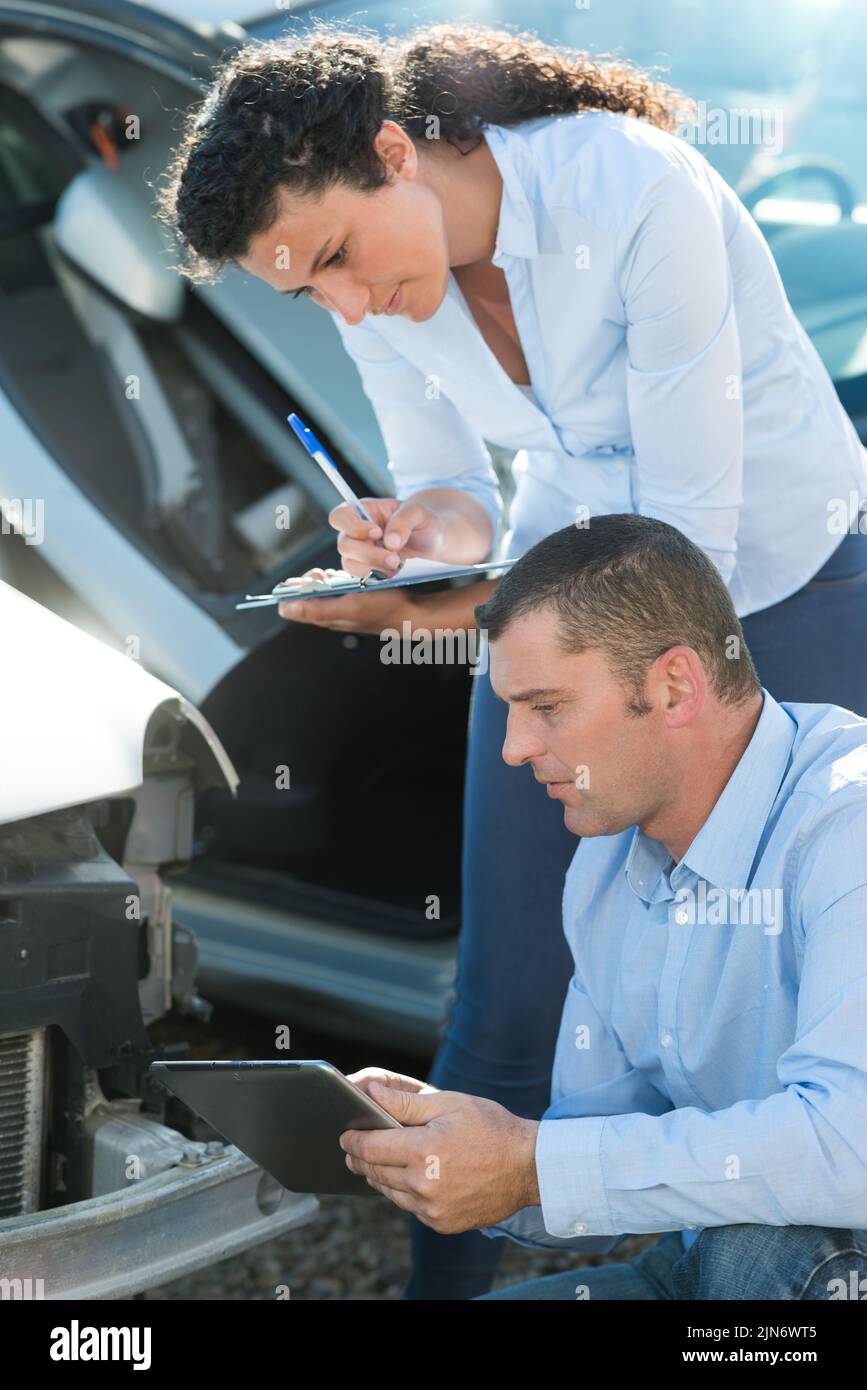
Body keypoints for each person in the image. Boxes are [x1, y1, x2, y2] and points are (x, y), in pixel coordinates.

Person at [156, 21, 867, 1298]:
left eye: (337, 260)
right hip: (581, 597)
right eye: (305, 292)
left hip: (789, 590)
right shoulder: (369, 282)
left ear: (393, 152)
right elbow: (452, 480)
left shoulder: (629, 190)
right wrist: (423, 534)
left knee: (806, 1024)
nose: (347, 308)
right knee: (499, 1016)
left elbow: (680, 554)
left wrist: (469, 614)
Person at [339, 514, 867, 1300]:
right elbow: (613, 1159)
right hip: (707, 1268)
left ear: (675, 685)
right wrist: (470, 1146)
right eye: (509, 709)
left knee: (765, 1255)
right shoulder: (603, 866)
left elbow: (848, 1149)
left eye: (545, 707)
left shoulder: (847, 825)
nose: (513, 748)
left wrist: (530, 1164)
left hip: (816, 1267)